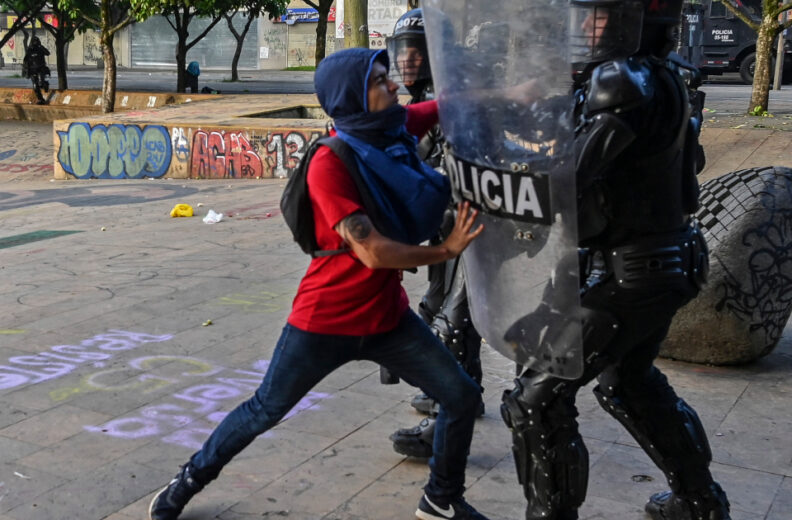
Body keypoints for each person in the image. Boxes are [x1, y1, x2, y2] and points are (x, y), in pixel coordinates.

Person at [148, 48, 491, 520]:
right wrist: (445, 251)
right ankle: (186, 481)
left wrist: (516, 92)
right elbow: (371, 251)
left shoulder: (392, 130)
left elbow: (450, 108)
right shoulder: (330, 164)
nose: (393, 86)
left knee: (460, 395)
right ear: (351, 98)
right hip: (325, 321)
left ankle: (441, 498)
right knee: (264, 409)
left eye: (389, 76)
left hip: (386, 318)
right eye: (378, 81)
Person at [485, 0, 731, 518]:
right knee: (630, 383)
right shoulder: (660, 76)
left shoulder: (622, 80)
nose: (589, 26)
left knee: (538, 399)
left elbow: (568, 179)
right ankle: (700, 503)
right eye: (587, 13)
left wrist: (495, 187)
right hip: (658, 260)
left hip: (630, 272)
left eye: (604, 15)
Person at [383, 8, 486, 460]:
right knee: (439, 309)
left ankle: (444, 422)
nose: (406, 62)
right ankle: (466, 391)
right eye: (400, 52)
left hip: (474, 225)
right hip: (447, 227)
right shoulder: (427, 99)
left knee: (454, 322)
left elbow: (461, 166)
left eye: (416, 52)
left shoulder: (453, 96)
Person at [22, 36, 50, 105]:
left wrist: (41, 47)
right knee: (35, 86)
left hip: (41, 68)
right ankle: (41, 99)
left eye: (36, 41)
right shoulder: (30, 50)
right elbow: (25, 60)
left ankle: (45, 84)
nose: (35, 43)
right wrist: (26, 70)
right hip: (33, 70)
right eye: (34, 41)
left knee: (41, 84)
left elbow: (48, 53)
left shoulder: (40, 48)